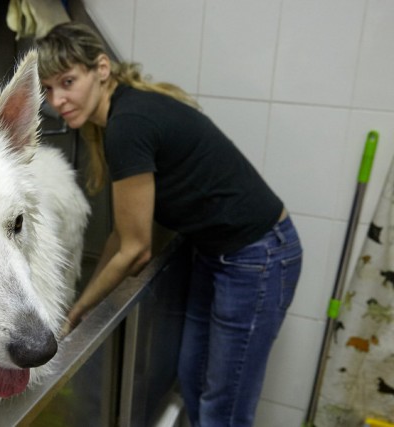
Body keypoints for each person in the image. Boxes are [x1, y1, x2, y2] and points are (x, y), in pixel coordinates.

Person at [36, 22, 303, 427]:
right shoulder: (123, 115)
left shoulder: (129, 124)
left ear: (102, 69)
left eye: (68, 82)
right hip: (217, 254)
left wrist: (78, 312)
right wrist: (82, 306)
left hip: (258, 256)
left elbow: (136, 248)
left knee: (224, 408)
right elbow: (120, 236)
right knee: (194, 379)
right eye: (48, 89)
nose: (58, 100)